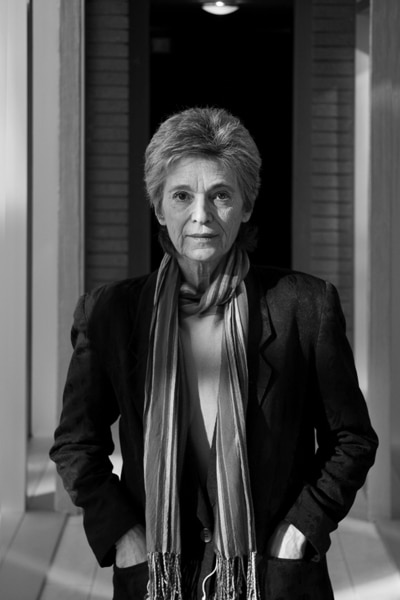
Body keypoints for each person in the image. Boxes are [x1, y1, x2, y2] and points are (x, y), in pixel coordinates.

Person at [50, 106, 378, 600]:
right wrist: (123, 536)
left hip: (271, 576)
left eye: (220, 195)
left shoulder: (306, 306)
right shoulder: (109, 314)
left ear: (245, 206)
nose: (201, 215)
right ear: (159, 207)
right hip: (156, 576)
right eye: (182, 195)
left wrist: (300, 530)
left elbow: (352, 439)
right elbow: (76, 443)